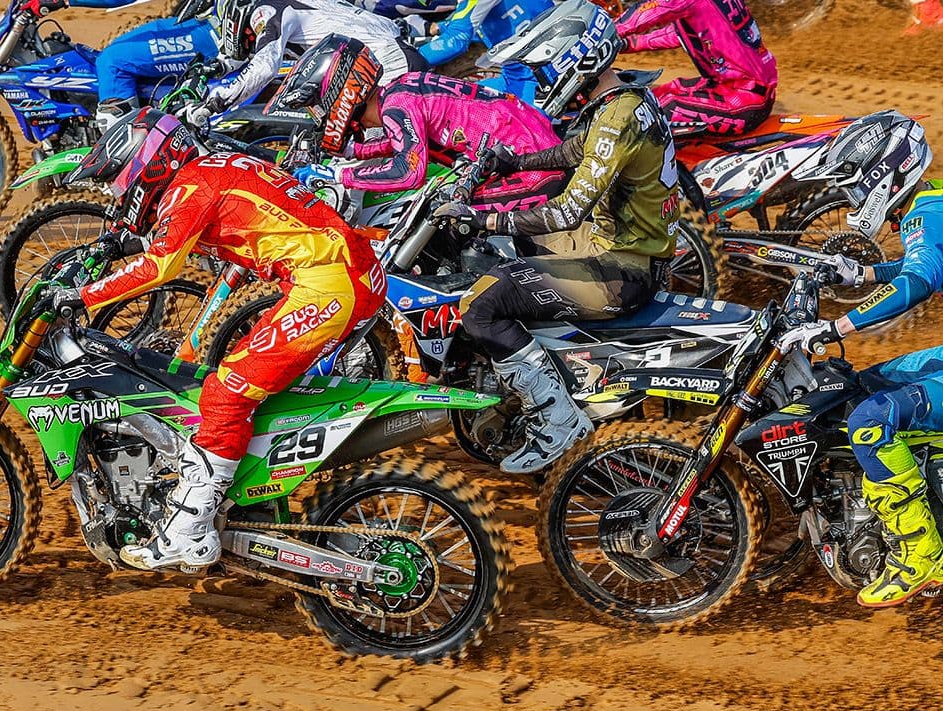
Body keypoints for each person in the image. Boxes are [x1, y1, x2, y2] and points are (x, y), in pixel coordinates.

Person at [47, 109, 386, 570]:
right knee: (246, 387)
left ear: (144, 163)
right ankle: (240, 499)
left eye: (116, 179)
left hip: (329, 284)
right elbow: (192, 232)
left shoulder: (190, 189)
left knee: (227, 394)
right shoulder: (207, 170)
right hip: (341, 272)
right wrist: (112, 247)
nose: (117, 192)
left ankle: (190, 530)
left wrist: (83, 296)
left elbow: (160, 267)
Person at [431, 0, 680, 474]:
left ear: (576, 61)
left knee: (481, 304)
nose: (544, 79)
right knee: (507, 256)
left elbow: (567, 211)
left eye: (547, 69)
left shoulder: (616, 120)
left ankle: (555, 416)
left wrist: (484, 220)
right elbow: (574, 152)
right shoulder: (628, 99)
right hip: (625, 249)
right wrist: (514, 162)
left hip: (619, 270)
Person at [775, 111, 941, 608]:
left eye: (854, 185)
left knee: (869, 421)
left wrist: (836, 327)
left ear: (883, 175)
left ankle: (921, 553)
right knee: (866, 383)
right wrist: (863, 274)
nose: (851, 198)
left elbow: (919, 280)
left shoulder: (926, 212)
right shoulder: (930, 202)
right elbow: (920, 262)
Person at [271, 36, 565, 209]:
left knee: (444, 213)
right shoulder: (400, 89)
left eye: (319, 107)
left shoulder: (397, 106)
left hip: (535, 168)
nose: (320, 116)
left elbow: (407, 173)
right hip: (530, 149)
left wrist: (337, 175)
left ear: (341, 94)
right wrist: (354, 152)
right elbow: (407, 142)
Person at [189, 0, 427, 124]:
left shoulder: (266, 10)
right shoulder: (285, 6)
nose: (218, 30)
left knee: (348, 163)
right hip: (399, 57)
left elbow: (264, 67)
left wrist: (214, 104)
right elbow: (258, 52)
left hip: (385, 67)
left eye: (216, 23)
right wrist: (219, 66)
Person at [17, 0, 220, 129]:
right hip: (207, 23)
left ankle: (124, 162)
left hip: (215, 34)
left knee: (113, 62)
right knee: (119, 47)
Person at [616, 0, 778, 136]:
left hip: (742, 101)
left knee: (645, 113)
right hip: (731, 88)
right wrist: (627, 43)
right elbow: (681, 33)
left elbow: (649, 11)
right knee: (648, 97)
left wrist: (609, 30)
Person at [409, 0, 556, 102]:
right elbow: (473, 21)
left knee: (452, 104)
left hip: (536, 81)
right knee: (457, 98)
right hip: (524, 75)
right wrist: (433, 28)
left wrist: (405, 60)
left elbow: (455, 41)